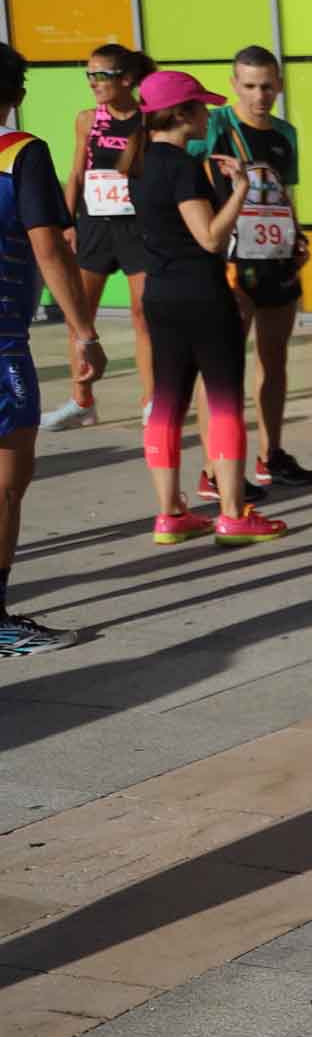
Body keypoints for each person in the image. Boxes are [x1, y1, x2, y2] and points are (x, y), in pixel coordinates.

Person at [124, 71, 286, 546]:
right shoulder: (180, 165)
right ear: (181, 113)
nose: (205, 115)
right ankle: (234, 513)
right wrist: (240, 187)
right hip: (201, 293)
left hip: (161, 294)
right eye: (199, 107)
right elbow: (210, 236)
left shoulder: (138, 162)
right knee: (223, 402)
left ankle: (170, 513)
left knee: (167, 401)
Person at [0, 43, 107, 653]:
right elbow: (49, 249)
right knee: (9, 479)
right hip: (3, 340)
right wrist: (83, 332)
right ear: (16, 95)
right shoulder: (22, 153)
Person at [206, 47, 312, 491]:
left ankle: (271, 454)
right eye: (250, 86)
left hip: (275, 261)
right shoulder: (215, 126)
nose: (259, 96)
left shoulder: (285, 133)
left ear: (279, 85)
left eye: (267, 86)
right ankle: (217, 467)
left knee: (275, 360)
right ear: (234, 84)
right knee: (224, 365)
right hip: (229, 263)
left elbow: (282, 192)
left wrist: (298, 237)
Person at [45, 43, 159, 432]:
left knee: (144, 317)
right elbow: (76, 173)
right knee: (79, 319)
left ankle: (150, 401)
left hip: (135, 227)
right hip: (94, 227)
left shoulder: (147, 120)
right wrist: (65, 223)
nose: (93, 82)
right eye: (89, 75)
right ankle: (82, 401)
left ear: (125, 79)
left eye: (101, 75)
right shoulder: (87, 119)